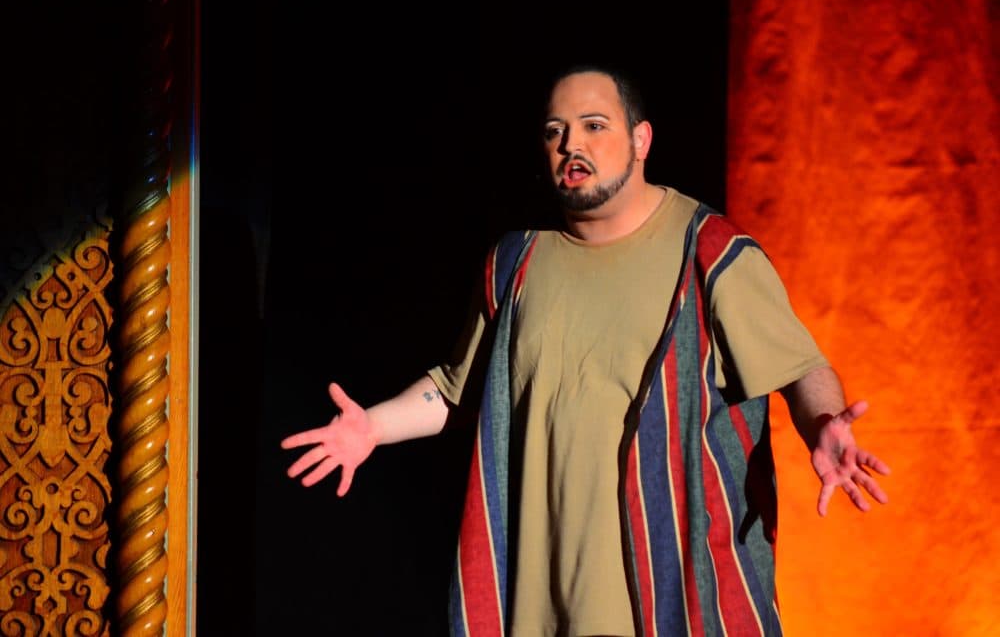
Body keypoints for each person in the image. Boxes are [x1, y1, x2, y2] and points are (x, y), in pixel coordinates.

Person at [281, 66, 890, 637]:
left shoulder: (708, 251)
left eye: (595, 126)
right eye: (556, 132)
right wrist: (371, 428)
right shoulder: (517, 263)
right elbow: (455, 387)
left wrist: (823, 422)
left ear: (641, 138)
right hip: (538, 606)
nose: (572, 144)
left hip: (672, 603)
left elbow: (799, 366)